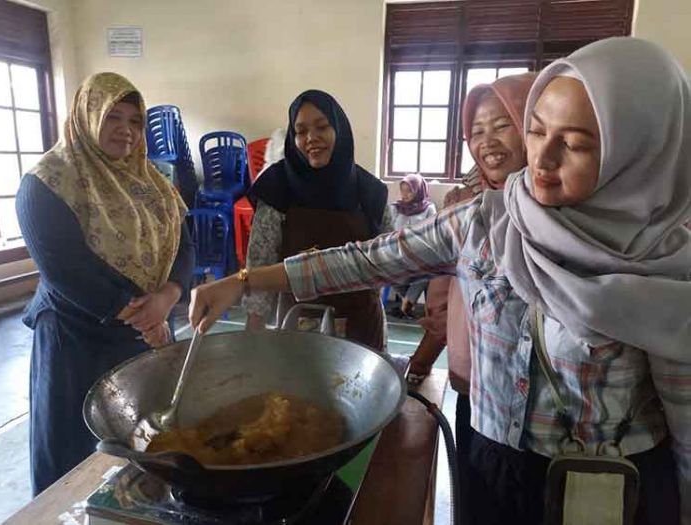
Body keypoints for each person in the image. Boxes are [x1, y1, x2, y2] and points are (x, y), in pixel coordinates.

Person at [190, 38, 691, 524]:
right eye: (536, 131)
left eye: (576, 144)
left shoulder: (664, 261)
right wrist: (244, 281)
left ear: (640, 151)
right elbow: (364, 260)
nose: (542, 160)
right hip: (491, 458)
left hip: (606, 486)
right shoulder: (483, 220)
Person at [16, 72, 194, 495]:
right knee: (71, 447)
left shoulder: (151, 180)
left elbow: (184, 245)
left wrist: (168, 296)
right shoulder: (47, 183)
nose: (126, 130)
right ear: (86, 115)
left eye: (135, 120)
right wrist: (143, 317)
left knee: (136, 442)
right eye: (112, 116)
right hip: (74, 338)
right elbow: (66, 271)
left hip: (137, 334)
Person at [410, 73, 536, 385]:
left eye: (502, 125)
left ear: (534, 127)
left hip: (543, 384)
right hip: (476, 373)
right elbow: (440, 298)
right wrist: (420, 365)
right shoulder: (462, 205)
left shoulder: (561, 201)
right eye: (477, 131)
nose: (488, 142)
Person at [243, 89, 389, 350]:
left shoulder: (371, 192)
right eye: (300, 131)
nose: (311, 138)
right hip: (297, 331)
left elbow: (388, 263)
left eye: (322, 127)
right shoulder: (276, 189)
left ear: (340, 130)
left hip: (361, 333)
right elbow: (260, 263)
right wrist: (253, 338)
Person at [388, 173, 437, 318]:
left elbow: (432, 232)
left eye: (409, 190)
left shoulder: (429, 208)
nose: (405, 195)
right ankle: (407, 300)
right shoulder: (395, 208)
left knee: (428, 270)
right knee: (389, 273)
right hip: (398, 251)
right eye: (402, 190)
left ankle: (409, 301)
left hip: (420, 251)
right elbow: (389, 230)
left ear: (418, 191)